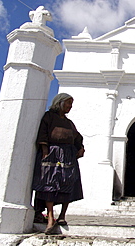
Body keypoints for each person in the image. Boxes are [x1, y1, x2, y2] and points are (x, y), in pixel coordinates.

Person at [32, 93, 85, 234]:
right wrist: (44, 150)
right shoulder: (49, 117)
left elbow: (77, 137)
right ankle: (50, 217)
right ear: (60, 103)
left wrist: (80, 148)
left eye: (71, 104)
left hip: (68, 155)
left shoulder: (69, 123)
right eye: (68, 103)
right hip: (51, 154)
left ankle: (62, 216)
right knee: (49, 184)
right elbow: (43, 134)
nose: (70, 107)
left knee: (68, 183)